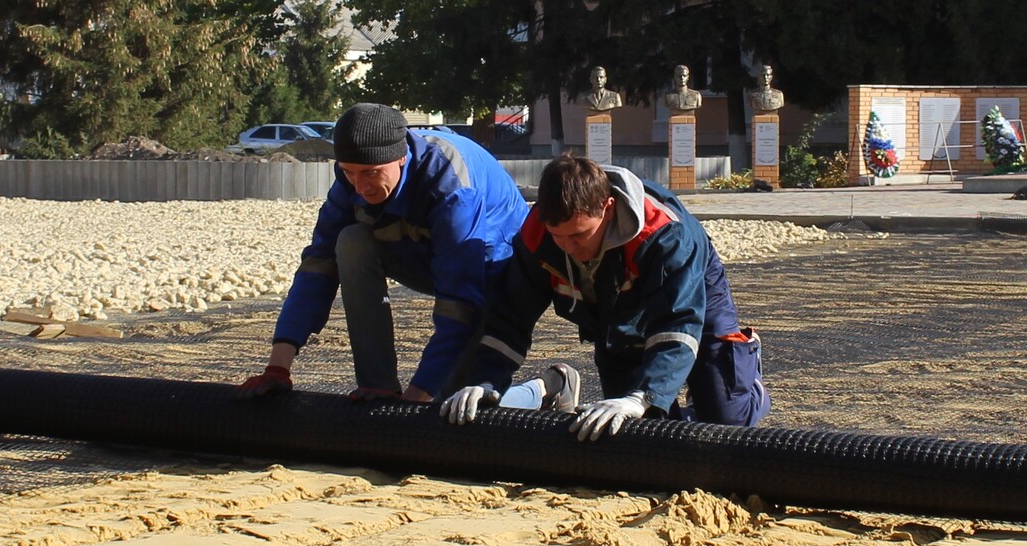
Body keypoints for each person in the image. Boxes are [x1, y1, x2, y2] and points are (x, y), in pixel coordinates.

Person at [436, 152, 768, 439]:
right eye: (559, 237)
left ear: (608, 208)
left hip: (692, 287)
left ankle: (745, 383)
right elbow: (510, 316)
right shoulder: (539, 236)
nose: (568, 247)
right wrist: (485, 381)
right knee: (630, 432)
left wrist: (644, 396)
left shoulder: (667, 236)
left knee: (724, 421)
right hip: (613, 302)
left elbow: (677, 320)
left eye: (579, 235)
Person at [240, 102, 531, 402]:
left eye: (371, 173)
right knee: (352, 241)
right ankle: (378, 387)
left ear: (401, 158)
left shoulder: (450, 184)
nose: (361, 187)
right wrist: (278, 365)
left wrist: (419, 393)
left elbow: (459, 301)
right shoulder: (350, 183)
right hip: (430, 251)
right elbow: (317, 267)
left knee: (455, 405)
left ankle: (544, 389)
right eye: (349, 172)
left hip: (494, 269)